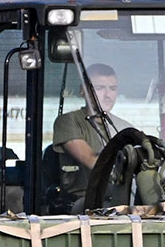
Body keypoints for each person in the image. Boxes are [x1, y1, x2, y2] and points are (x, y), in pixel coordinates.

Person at [51, 63, 135, 209]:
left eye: (112, 89)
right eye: (100, 88)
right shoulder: (69, 121)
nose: (107, 95)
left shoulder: (125, 128)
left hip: (118, 202)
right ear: (83, 91)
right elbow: (91, 160)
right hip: (82, 204)